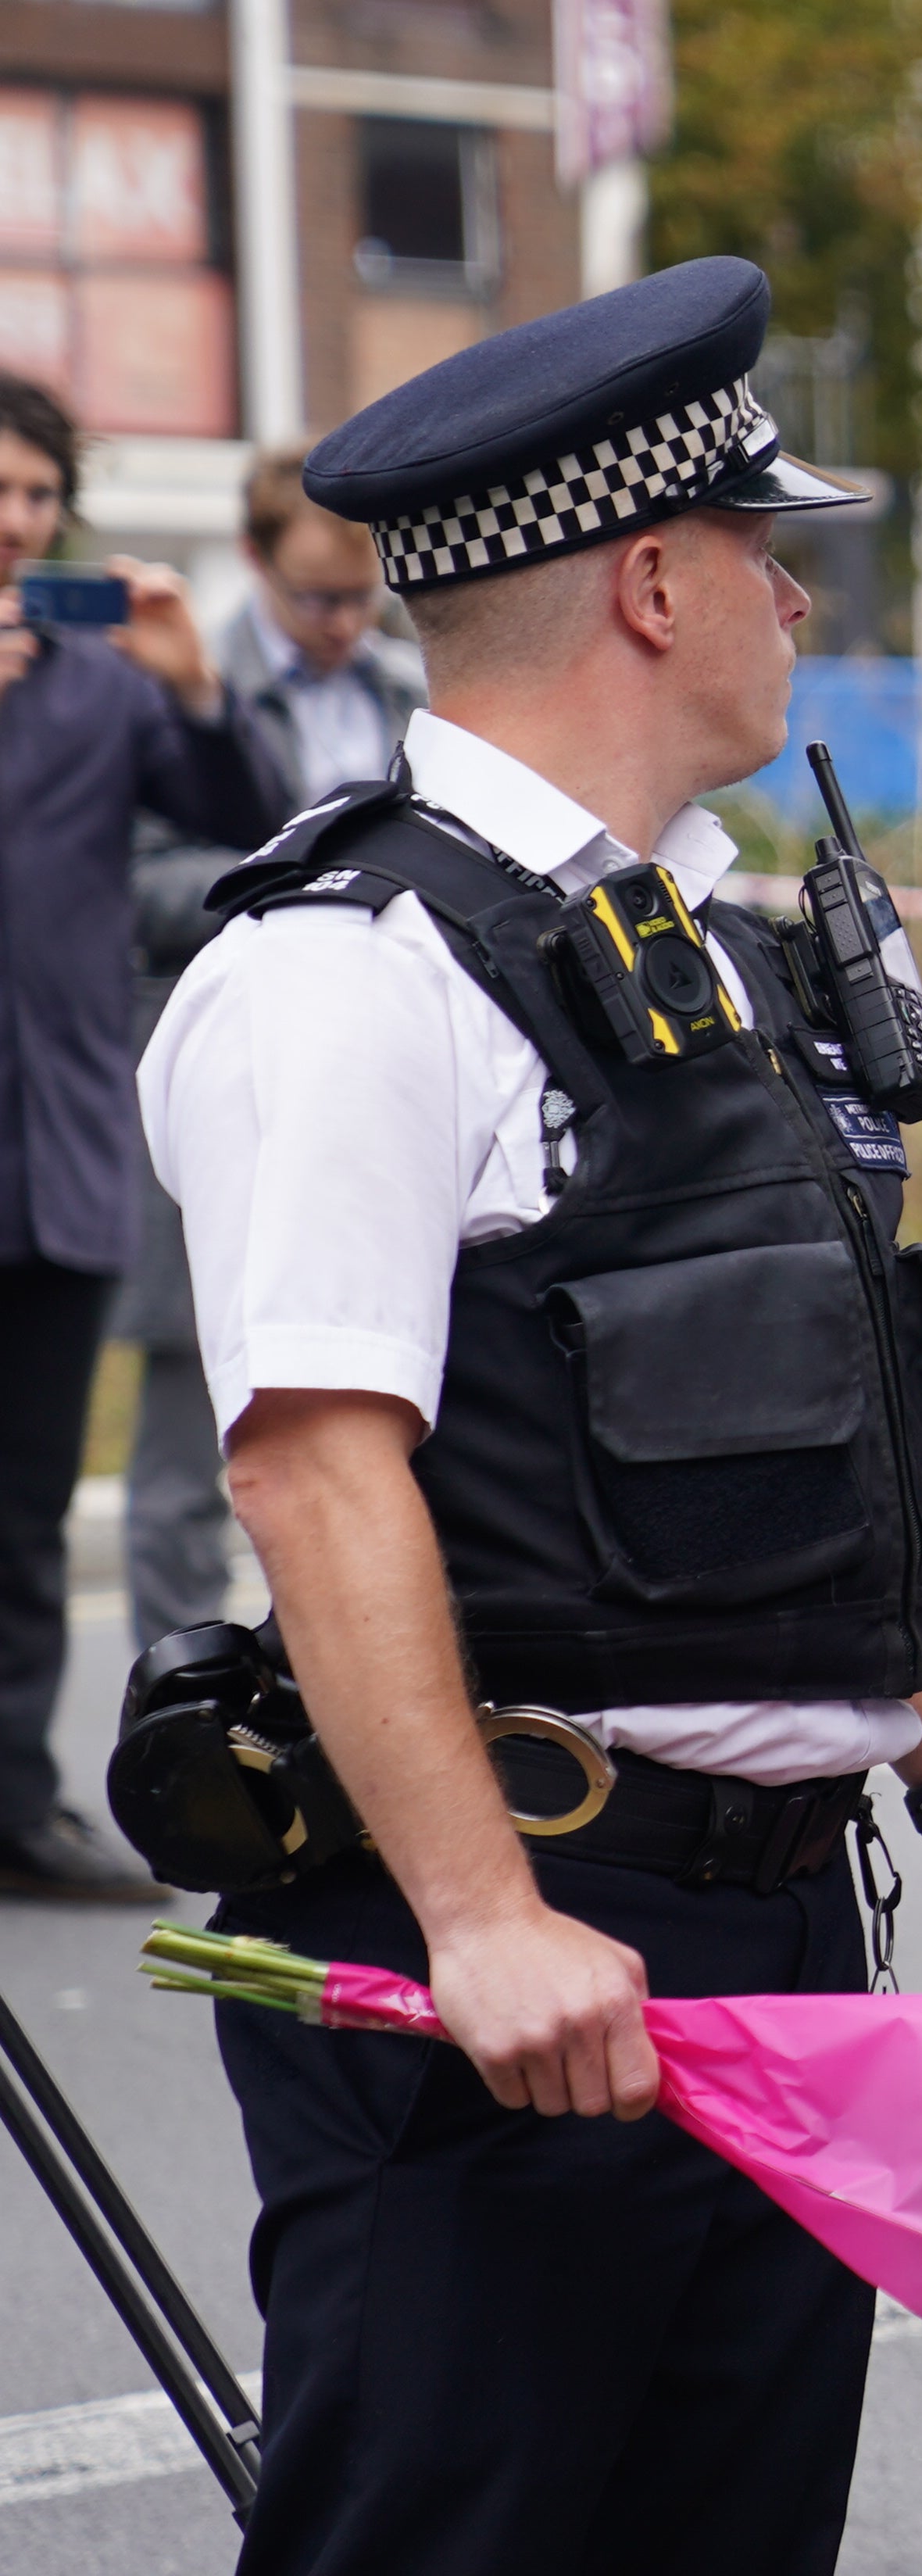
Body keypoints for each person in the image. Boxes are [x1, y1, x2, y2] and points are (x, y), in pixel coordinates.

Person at [137, 257, 922, 2576]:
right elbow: (311, 1460)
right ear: (652, 583)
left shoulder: (713, 946)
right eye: (772, 553)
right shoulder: (347, 973)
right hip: (530, 1943)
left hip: (774, 1930)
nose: (795, 600)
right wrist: (483, 1923)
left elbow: (844, 1413)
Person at [0, 368, 279, 1900]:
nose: (19, 522)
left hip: (58, 1160)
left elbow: (254, 826)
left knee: (29, 1514)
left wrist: (189, 685)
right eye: (1, 494)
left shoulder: (103, 689)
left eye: (40, 498)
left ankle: (15, 1797)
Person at [121, 445, 431, 1648]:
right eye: (315, 598)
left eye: (363, 599)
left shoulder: (410, 691)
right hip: (218, 1084)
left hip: (377, 1089)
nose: (343, 625)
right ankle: (184, 1733)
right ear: (254, 564)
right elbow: (135, 883)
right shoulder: (171, 683)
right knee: (180, 1464)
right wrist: (304, 888)